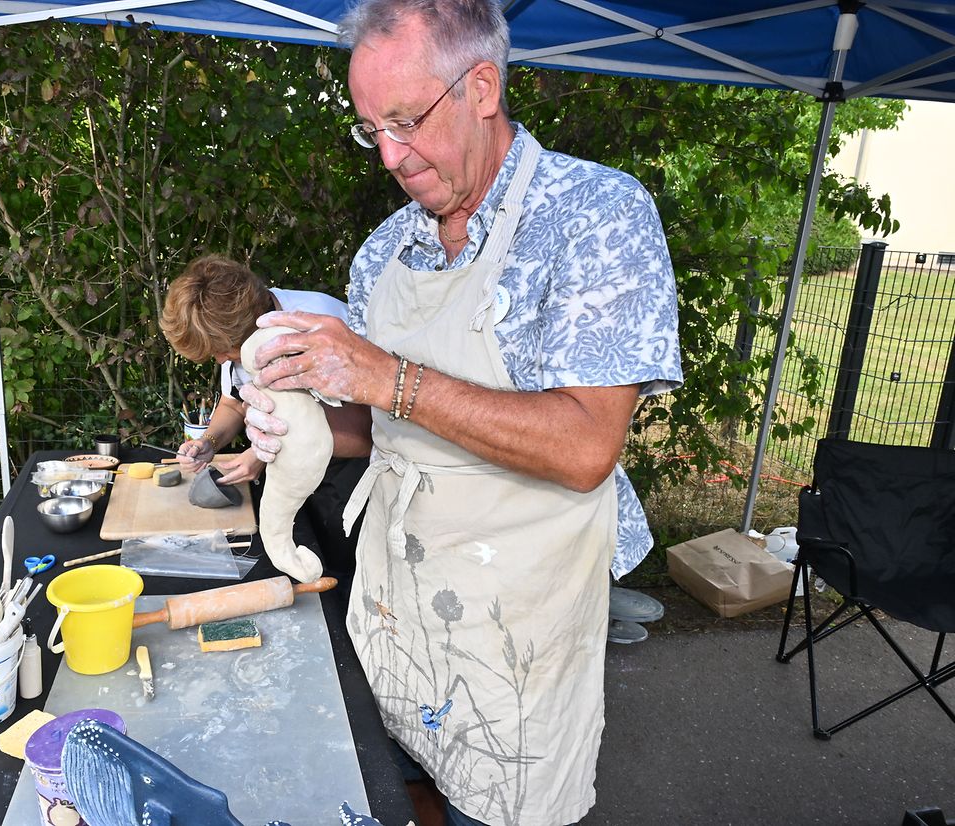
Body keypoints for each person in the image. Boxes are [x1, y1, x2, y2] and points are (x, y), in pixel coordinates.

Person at [238, 1, 683, 824]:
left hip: (515, 629)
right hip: (396, 606)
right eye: (372, 129)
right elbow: (378, 429)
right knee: (392, 794)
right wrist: (295, 430)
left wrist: (387, 376)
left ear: (482, 87)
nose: (390, 155)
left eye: (406, 121)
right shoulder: (387, 250)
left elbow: (586, 446)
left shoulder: (596, 217)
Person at [158, 253, 371, 575]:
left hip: (351, 479)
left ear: (256, 321)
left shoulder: (326, 325)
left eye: (222, 352)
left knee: (341, 571)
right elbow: (233, 403)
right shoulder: (234, 331)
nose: (220, 360)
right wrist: (209, 442)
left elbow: (371, 432)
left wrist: (264, 451)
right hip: (292, 481)